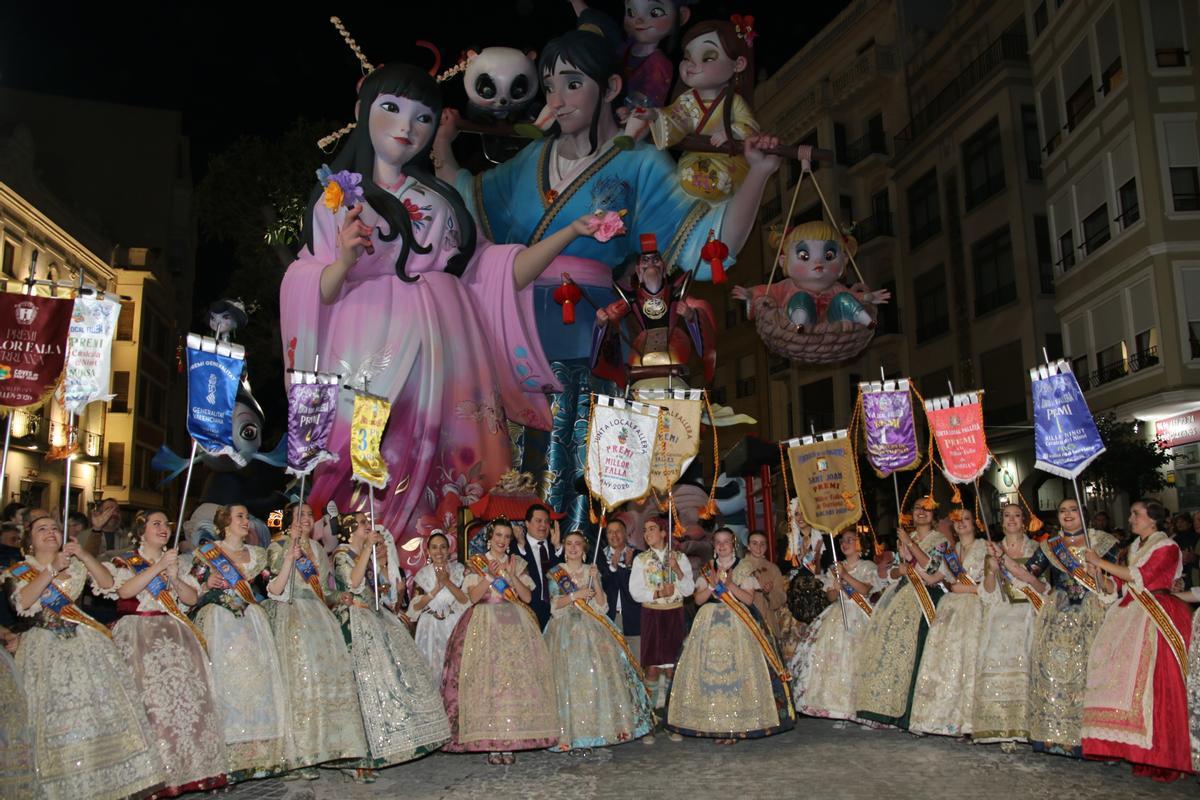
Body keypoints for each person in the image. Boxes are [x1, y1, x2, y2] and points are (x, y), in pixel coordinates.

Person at [434, 28, 782, 528]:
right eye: (551, 86)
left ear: (612, 87)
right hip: (518, 326)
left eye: (574, 84)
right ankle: (515, 556)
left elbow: (706, 241)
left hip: (593, 328)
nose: (558, 99)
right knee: (514, 455)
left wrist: (760, 175)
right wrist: (443, 148)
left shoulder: (640, 163)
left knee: (586, 451)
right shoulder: (529, 161)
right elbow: (468, 206)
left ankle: (583, 561)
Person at [280, 62, 611, 575]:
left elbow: (495, 271)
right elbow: (313, 284)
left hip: (448, 355)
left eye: (422, 118)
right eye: (391, 109)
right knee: (369, 462)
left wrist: (569, 233)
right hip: (369, 352)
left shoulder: (441, 202)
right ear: (361, 112)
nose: (406, 127)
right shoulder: (338, 198)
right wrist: (343, 261)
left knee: (448, 470)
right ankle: (358, 571)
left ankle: (444, 570)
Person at [4, 514, 164, 800]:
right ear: (30, 539)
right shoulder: (18, 570)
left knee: (94, 712)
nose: (51, 532)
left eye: (55, 528)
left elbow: (107, 583)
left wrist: (83, 554)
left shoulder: (75, 566)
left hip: (84, 644)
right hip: (43, 648)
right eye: (42, 529)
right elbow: (23, 602)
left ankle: (99, 779)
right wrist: (50, 570)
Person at [100, 510, 228, 795]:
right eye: (156, 523)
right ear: (141, 530)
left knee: (183, 705)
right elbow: (124, 592)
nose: (164, 528)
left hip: (175, 636)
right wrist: (157, 569)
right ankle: (152, 773)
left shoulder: (177, 562)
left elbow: (191, 598)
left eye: (166, 523)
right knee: (150, 706)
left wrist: (174, 576)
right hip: (140, 637)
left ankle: (186, 769)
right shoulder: (125, 560)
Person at [331, 512, 450, 779]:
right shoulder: (342, 554)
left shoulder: (362, 554)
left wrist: (382, 570)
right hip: (353, 625)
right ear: (350, 530)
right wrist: (367, 554)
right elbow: (353, 582)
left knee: (382, 686)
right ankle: (355, 757)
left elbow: (378, 590)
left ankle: (376, 750)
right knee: (360, 690)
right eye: (362, 524)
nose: (367, 527)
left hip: (373, 619)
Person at [1082, 499, 1193, 781]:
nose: (1131, 518)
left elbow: (1141, 577)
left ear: (1152, 520)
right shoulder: (1131, 548)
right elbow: (1117, 585)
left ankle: (1164, 756)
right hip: (1131, 616)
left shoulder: (1167, 547)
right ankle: (1140, 753)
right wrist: (1099, 576)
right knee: (1131, 689)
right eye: (1131, 514)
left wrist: (1101, 561)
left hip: (1157, 617)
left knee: (1157, 688)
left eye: (1136, 514)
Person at [441, 517, 559, 765]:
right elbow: (470, 598)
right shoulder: (477, 563)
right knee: (487, 681)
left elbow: (527, 597)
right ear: (490, 537)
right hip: (483, 622)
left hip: (513, 622)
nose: (503, 541)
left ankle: (511, 739)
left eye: (507, 537)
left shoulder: (518, 563)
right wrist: (487, 576)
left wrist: (511, 576)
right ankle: (491, 743)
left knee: (513, 681)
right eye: (498, 536)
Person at [264, 502, 367, 776]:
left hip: (320, 619)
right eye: (300, 515)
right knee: (301, 683)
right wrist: (291, 548)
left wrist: (338, 597)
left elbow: (323, 590)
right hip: (292, 613)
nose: (307, 518)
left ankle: (332, 750)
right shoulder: (278, 545)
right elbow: (275, 572)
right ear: (288, 522)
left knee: (326, 684)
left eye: (310, 514)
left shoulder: (320, 550)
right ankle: (299, 755)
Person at [188, 504, 289, 781]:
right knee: (225, 685)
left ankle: (259, 757)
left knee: (257, 686)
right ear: (225, 523)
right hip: (219, 623)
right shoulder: (207, 552)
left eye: (247, 516)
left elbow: (273, 588)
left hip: (251, 623)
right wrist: (207, 580)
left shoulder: (257, 555)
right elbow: (192, 586)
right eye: (240, 517)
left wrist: (289, 561)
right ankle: (226, 759)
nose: (247, 521)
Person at [666, 528, 794, 742]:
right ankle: (715, 724)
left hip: (738, 623)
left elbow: (749, 600)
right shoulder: (708, 568)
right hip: (709, 622)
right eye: (718, 542)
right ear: (714, 545)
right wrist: (713, 586)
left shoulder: (744, 567)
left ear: (733, 544)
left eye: (726, 542)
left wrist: (729, 585)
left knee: (737, 674)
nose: (722, 546)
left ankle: (736, 726)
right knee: (710, 677)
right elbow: (698, 601)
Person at [1023, 497, 1117, 757]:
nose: (1067, 514)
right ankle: (1052, 733)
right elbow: (1031, 572)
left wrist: (1096, 568)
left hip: (1091, 612)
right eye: (1062, 510)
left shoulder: (1103, 542)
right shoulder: (1050, 546)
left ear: (1083, 515)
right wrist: (1005, 565)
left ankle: (1083, 737)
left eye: (1073, 510)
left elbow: (1116, 580)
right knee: (1050, 669)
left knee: (1086, 672)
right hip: (1058, 613)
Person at [545, 530, 654, 750]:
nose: (573, 547)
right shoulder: (556, 573)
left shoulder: (591, 570)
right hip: (564, 631)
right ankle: (570, 734)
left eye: (578, 544)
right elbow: (555, 605)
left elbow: (602, 605)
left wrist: (595, 581)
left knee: (597, 678)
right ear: (564, 548)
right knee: (567, 681)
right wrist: (575, 595)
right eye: (569, 544)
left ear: (584, 551)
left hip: (592, 628)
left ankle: (597, 731)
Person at [638, 19, 760, 200]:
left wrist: (730, 132)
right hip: (693, 160)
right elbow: (674, 116)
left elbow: (750, 126)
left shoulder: (733, 101)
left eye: (708, 58)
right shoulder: (687, 100)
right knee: (674, 182)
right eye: (687, 58)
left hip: (728, 160)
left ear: (738, 64)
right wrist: (655, 115)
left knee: (719, 181)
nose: (691, 65)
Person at [854, 496, 947, 728]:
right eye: (917, 509)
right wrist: (901, 567)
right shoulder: (906, 539)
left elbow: (933, 567)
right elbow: (894, 572)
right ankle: (885, 709)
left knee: (915, 650)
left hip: (925, 597)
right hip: (901, 595)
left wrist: (911, 546)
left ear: (934, 516)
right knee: (889, 648)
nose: (921, 513)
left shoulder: (939, 540)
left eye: (927, 510)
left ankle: (912, 713)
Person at [909, 508, 988, 737]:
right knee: (944, 662)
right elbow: (933, 575)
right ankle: (936, 719)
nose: (961, 523)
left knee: (968, 661)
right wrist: (910, 562)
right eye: (956, 520)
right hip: (950, 608)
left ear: (975, 523)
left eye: (966, 519)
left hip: (975, 607)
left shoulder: (985, 548)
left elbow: (994, 583)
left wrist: (966, 588)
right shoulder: (948, 550)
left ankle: (969, 722)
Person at [789, 528, 880, 725]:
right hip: (838, 614)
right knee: (837, 662)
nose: (845, 544)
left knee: (859, 661)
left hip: (860, 615)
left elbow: (866, 589)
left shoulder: (867, 566)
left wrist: (845, 576)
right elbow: (830, 596)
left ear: (861, 546)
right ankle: (841, 709)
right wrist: (836, 589)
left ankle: (865, 712)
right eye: (842, 541)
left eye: (851, 540)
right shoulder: (835, 568)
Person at [973, 503, 1043, 744]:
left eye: (1017, 515)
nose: (1011, 519)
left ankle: (1026, 726)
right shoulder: (992, 549)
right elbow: (988, 591)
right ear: (1001, 521)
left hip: (1026, 616)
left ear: (1024, 521)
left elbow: (1042, 587)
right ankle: (1001, 727)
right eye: (1007, 516)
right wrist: (991, 571)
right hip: (1000, 616)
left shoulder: (1036, 548)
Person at [629, 516, 694, 727]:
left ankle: (672, 716)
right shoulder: (640, 560)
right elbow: (635, 592)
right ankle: (650, 717)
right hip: (652, 616)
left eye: (652, 529)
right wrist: (657, 593)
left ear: (664, 532)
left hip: (674, 614)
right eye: (645, 530)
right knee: (653, 668)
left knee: (671, 667)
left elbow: (689, 589)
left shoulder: (679, 558)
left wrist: (676, 570)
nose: (648, 534)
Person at [410, 530, 471, 684]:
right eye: (435, 547)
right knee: (430, 668)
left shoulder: (458, 570)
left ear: (449, 549)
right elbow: (416, 606)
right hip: (429, 625)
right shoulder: (422, 574)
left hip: (453, 623)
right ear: (428, 551)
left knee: (454, 665)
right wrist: (435, 589)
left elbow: (465, 600)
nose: (439, 551)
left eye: (443, 547)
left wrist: (447, 582)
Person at [596, 517, 643, 656]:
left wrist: (627, 568)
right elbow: (603, 586)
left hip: (633, 618)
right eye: (610, 532)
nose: (614, 535)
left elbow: (636, 588)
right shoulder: (599, 558)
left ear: (626, 534)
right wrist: (612, 568)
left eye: (618, 531)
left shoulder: (638, 556)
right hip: (609, 617)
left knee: (636, 662)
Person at [510, 503, 561, 628]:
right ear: (527, 523)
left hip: (556, 611)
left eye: (547, 522)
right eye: (538, 521)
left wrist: (558, 547)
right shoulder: (516, 546)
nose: (543, 525)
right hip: (528, 610)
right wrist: (521, 545)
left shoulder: (555, 545)